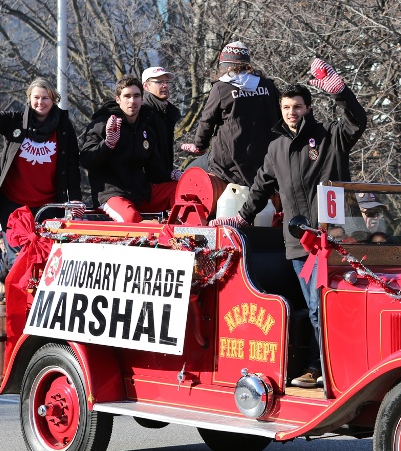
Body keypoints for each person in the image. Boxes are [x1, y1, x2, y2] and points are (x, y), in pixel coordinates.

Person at [214, 59, 367, 388]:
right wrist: (241, 217)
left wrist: (340, 92)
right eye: (286, 107)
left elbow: (357, 122)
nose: (291, 112)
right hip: (299, 245)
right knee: (315, 307)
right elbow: (260, 187)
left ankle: (336, 368)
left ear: (308, 108)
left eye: (297, 106)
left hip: (334, 240)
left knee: (334, 305)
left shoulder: (329, 137)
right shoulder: (276, 148)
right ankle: (320, 368)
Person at [0, 77, 83, 230]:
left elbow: (72, 165)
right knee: (18, 246)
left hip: (48, 207)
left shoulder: (64, 127)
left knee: (44, 246)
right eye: (36, 97)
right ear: (29, 98)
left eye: (45, 98)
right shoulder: (15, 121)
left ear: (53, 100)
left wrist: (75, 199)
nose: (40, 102)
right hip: (13, 205)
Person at [182, 41, 281, 187]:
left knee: (188, 174)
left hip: (230, 165)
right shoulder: (268, 86)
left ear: (227, 66)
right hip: (267, 162)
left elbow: (207, 121)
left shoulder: (222, 88)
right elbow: (282, 117)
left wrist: (199, 145)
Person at [80, 76, 179, 222]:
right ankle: (157, 231)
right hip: (112, 195)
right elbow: (85, 160)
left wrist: (175, 175)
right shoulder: (102, 124)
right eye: (127, 96)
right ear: (118, 99)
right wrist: (108, 144)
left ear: (142, 99)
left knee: (184, 189)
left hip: (140, 193)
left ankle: (183, 230)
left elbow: (154, 172)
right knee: (131, 219)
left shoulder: (147, 129)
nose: (132, 101)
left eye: (136, 96)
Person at [141, 66, 182, 174]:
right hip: (148, 180)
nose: (165, 85)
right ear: (146, 86)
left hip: (165, 175)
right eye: (159, 82)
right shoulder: (143, 111)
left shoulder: (167, 111)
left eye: (166, 82)